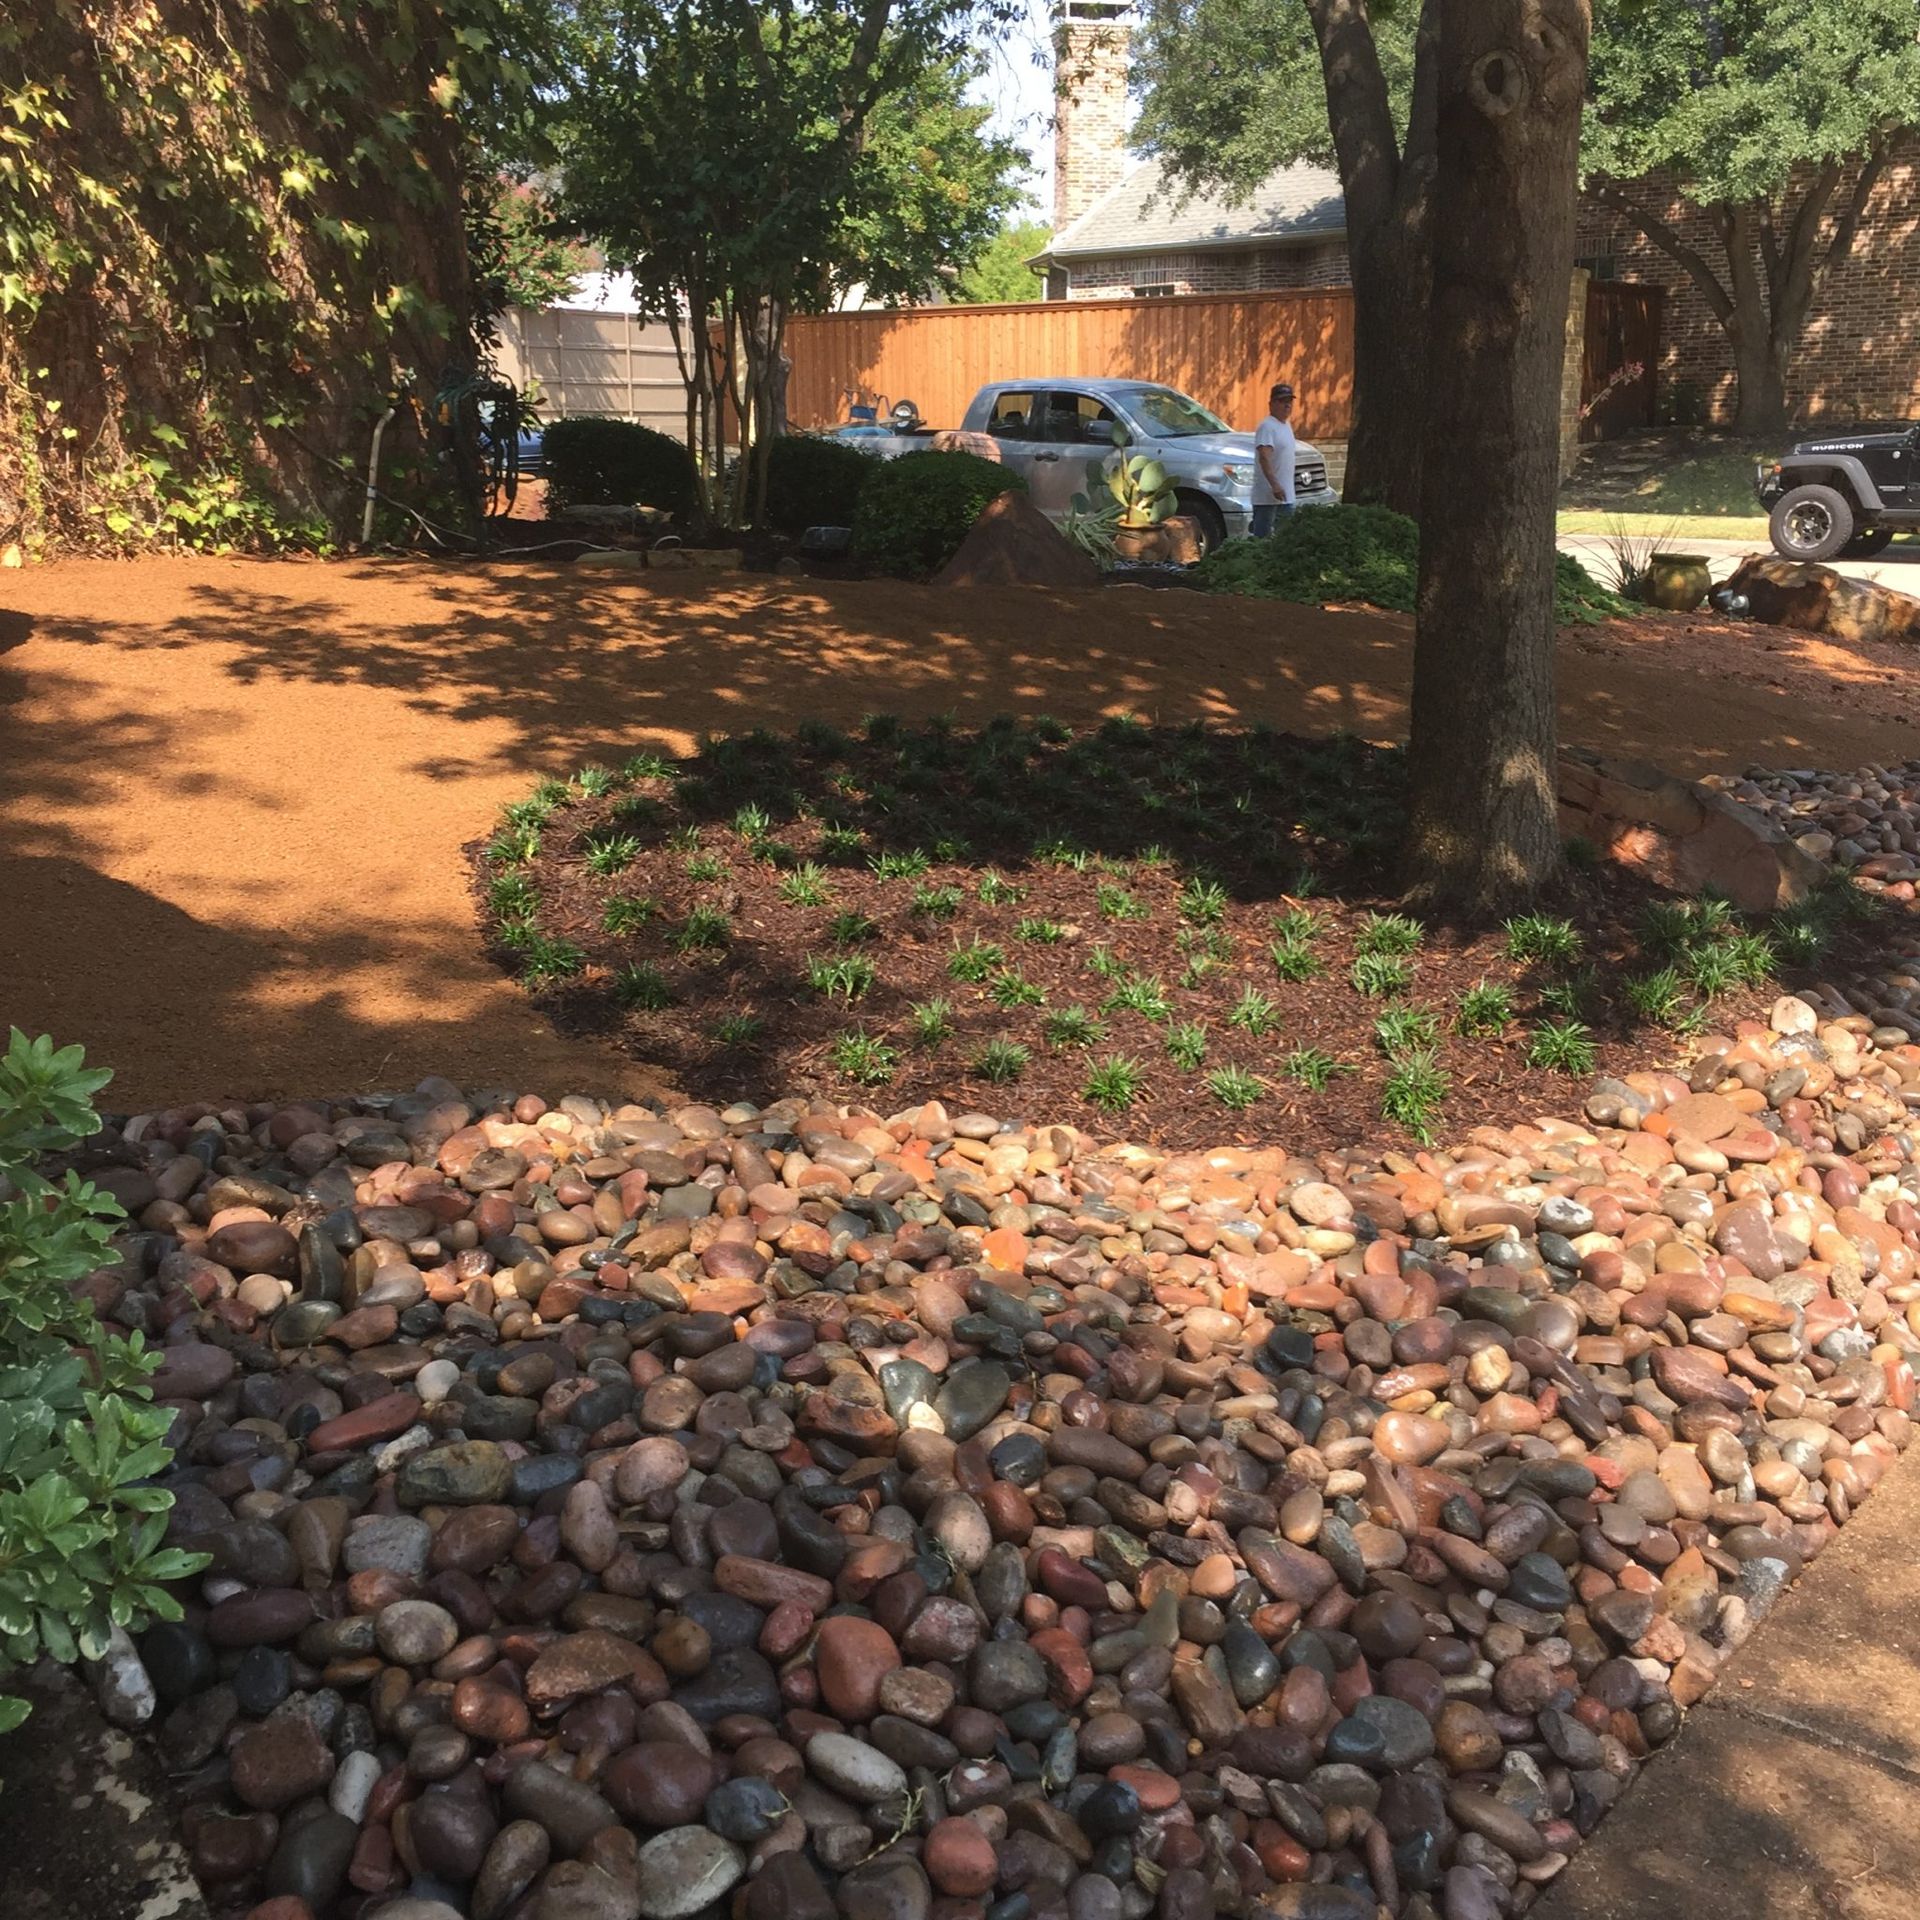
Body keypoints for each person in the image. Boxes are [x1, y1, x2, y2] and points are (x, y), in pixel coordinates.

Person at [1251, 382, 1298, 537]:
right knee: (1262, 539)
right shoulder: (1267, 426)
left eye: (1289, 401)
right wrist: (1275, 485)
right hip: (1268, 497)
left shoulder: (1286, 425)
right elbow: (1264, 457)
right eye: (1282, 401)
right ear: (1271, 404)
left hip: (1286, 495)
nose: (1287, 405)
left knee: (1285, 538)